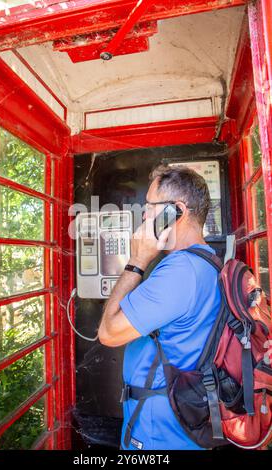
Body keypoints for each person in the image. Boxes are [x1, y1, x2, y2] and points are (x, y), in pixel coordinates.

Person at [98, 164, 222, 450]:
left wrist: (137, 260)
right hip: (182, 419)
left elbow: (108, 332)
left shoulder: (180, 271)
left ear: (176, 210)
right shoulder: (206, 260)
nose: (143, 215)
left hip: (160, 434)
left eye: (150, 206)